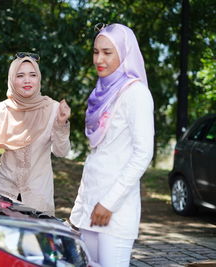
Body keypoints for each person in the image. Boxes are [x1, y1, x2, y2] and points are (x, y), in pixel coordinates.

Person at [69, 23, 154, 267]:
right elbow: (97, 158)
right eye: (96, 52)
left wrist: (109, 203)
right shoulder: (101, 92)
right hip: (90, 210)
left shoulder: (135, 93)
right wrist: (78, 213)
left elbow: (143, 153)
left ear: (124, 52)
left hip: (114, 212)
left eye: (107, 52)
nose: (99, 59)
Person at [0, 53, 71, 216]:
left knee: (35, 241)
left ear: (39, 78)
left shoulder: (53, 108)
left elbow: (61, 152)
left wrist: (61, 125)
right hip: (3, 193)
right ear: (12, 79)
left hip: (37, 196)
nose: (27, 80)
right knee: (2, 241)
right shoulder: (2, 109)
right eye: (20, 75)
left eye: (32, 75)